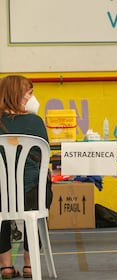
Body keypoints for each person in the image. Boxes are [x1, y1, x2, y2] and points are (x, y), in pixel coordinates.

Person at [0, 75, 52, 279]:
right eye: (29, 93)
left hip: (1, 195)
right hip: (32, 194)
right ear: (17, 96)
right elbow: (43, 157)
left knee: (4, 202)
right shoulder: (35, 122)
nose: (32, 98)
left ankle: (5, 266)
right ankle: (30, 264)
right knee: (40, 197)